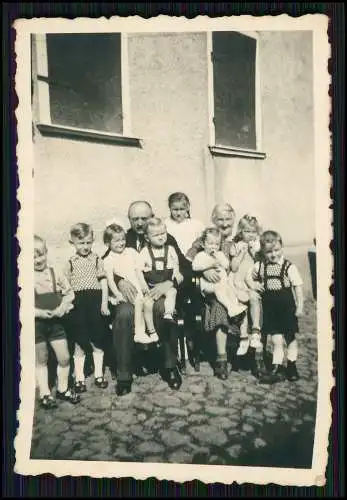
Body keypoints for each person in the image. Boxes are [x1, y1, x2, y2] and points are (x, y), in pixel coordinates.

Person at [103, 201, 184, 396]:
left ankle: (170, 366)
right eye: (135, 219)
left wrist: (170, 283)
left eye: (144, 218)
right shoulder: (123, 238)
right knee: (124, 315)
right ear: (129, 220)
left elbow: (184, 267)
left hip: (158, 292)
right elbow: (105, 265)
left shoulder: (164, 237)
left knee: (164, 309)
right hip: (132, 296)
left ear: (152, 216)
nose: (140, 223)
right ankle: (124, 374)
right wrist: (119, 280)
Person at [186, 204, 243, 380]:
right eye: (220, 219)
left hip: (237, 286)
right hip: (214, 288)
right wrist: (204, 270)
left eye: (228, 219)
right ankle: (221, 359)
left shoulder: (239, 240)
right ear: (213, 220)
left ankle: (254, 355)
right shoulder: (204, 239)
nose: (224, 223)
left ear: (233, 220)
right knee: (219, 306)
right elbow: (189, 262)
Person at [246, 230, 304, 384]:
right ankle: (277, 367)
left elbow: (298, 286)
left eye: (276, 250)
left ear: (282, 248)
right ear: (263, 252)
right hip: (271, 309)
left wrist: (300, 306)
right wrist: (254, 284)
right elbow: (248, 276)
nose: (273, 254)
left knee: (290, 338)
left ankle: (291, 365)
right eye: (269, 252)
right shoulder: (260, 266)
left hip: (287, 308)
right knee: (277, 340)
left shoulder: (288, 266)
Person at [34, 235, 80, 409]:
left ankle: (62, 389)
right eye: (32, 257)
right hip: (37, 324)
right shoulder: (23, 277)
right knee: (42, 358)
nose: (38, 260)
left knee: (64, 357)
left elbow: (70, 293)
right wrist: (38, 312)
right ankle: (45, 393)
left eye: (40, 255)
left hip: (56, 323)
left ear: (46, 252)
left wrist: (63, 306)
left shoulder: (55, 272)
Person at [65, 223, 110, 394]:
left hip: (95, 302)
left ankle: (99, 375)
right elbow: (66, 286)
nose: (85, 247)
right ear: (73, 243)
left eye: (88, 242)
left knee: (97, 339)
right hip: (78, 305)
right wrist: (68, 304)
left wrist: (104, 303)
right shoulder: (70, 262)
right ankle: (79, 378)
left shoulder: (97, 259)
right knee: (79, 341)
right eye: (81, 243)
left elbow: (104, 282)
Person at [103, 223, 159, 344]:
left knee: (146, 303)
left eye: (123, 239)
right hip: (125, 292)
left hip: (137, 286)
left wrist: (144, 282)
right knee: (139, 302)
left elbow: (139, 268)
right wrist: (117, 294)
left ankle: (151, 331)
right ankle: (139, 332)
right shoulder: (108, 260)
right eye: (116, 241)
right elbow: (110, 280)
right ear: (108, 243)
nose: (121, 243)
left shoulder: (131, 252)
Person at [229, 214, 264, 376]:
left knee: (255, 298)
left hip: (252, 282)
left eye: (253, 231)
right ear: (240, 232)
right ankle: (243, 337)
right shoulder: (236, 245)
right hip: (238, 282)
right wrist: (241, 254)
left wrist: (253, 250)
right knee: (241, 305)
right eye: (246, 231)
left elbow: (261, 260)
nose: (250, 234)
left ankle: (255, 331)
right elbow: (234, 267)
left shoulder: (257, 245)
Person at [136, 217, 184, 336]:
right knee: (147, 304)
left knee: (172, 292)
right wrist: (142, 284)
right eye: (156, 235)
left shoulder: (171, 249)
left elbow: (176, 264)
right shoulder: (144, 252)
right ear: (147, 237)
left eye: (163, 233)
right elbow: (138, 269)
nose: (161, 237)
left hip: (166, 283)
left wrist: (177, 273)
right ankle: (151, 331)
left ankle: (168, 314)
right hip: (152, 286)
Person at [192, 227, 247, 318]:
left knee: (230, 290)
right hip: (208, 284)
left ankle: (235, 306)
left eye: (216, 244)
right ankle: (230, 309)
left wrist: (219, 258)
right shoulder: (201, 255)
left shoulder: (220, 254)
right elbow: (195, 267)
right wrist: (209, 265)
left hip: (222, 282)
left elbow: (226, 265)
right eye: (210, 244)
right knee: (220, 290)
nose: (213, 247)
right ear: (203, 244)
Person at [165, 192, 205, 257]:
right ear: (170, 208)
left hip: (191, 258)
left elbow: (204, 239)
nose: (178, 213)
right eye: (175, 210)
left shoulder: (196, 224)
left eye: (182, 209)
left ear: (187, 208)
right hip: (172, 259)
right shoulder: (166, 224)